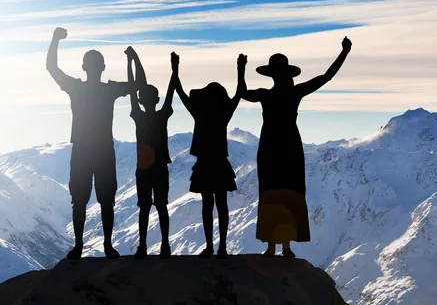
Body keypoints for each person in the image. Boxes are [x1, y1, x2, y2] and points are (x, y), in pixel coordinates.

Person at [242, 36, 352, 257]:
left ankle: (273, 246)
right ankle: (284, 246)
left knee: (271, 194)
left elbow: (243, 93)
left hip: (270, 146)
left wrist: (240, 70)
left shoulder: (266, 94)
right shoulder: (294, 92)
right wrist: (344, 52)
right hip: (289, 145)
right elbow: (326, 77)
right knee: (288, 193)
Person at [46, 27, 136, 259]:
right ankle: (106, 246)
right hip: (103, 150)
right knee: (106, 201)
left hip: (83, 150)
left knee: (80, 201)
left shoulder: (77, 87)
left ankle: (79, 247)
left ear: (84, 67)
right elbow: (137, 84)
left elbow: (51, 68)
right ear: (102, 68)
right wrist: (132, 60)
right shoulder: (110, 89)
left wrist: (55, 40)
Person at [173, 52, 247, 259]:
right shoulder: (224, 113)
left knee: (208, 206)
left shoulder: (199, 113)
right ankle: (221, 247)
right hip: (220, 164)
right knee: (221, 205)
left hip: (205, 164)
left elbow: (179, 91)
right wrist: (241, 68)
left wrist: (175, 69)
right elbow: (240, 92)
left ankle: (210, 247)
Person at [126, 47, 175, 259]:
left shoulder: (137, 114)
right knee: (161, 207)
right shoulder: (162, 115)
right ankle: (165, 246)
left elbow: (131, 87)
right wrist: (175, 70)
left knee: (144, 208)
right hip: (160, 168)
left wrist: (131, 62)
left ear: (140, 100)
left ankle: (143, 247)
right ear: (156, 100)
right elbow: (171, 91)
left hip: (143, 169)